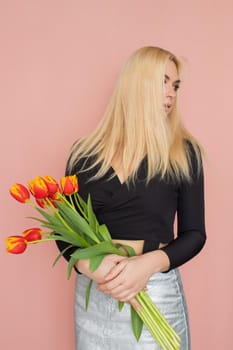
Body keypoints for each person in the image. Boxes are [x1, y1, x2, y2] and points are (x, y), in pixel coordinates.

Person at [56, 46, 206, 350]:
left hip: (156, 291)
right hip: (97, 294)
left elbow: (194, 235)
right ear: (137, 84)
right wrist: (86, 266)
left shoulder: (184, 153)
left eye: (175, 85)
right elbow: (65, 230)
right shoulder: (83, 154)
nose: (172, 93)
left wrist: (147, 265)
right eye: (163, 82)